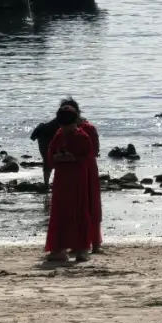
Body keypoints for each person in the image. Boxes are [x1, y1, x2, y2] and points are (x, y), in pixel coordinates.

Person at [44, 106, 95, 263]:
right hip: (61, 179)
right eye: (62, 125)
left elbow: (88, 157)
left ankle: (82, 249)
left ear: (74, 123)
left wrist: (73, 158)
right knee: (60, 213)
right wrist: (58, 157)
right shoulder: (59, 135)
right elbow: (50, 156)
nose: (64, 128)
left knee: (78, 211)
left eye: (67, 125)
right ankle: (59, 249)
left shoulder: (82, 137)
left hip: (76, 178)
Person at [61, 98, 103, 252]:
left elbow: (93, 151)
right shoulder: (65, 129)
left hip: (86, 170)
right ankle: (78, 242)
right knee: (75, 206)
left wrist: (74, 157)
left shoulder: (87, 128)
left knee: (91, 205)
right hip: (72, 171)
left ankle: (95, 243)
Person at [30, 108, 65, 187]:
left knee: (48, 160)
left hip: (43, 134)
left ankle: (47, 183)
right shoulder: (63, 122)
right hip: (45, 136)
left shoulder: (60, 121)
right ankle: (48, 183)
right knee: (49, 160)